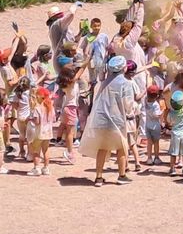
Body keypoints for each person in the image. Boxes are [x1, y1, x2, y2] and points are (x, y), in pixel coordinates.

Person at [79, 55, 135, 186]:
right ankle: (122, 175)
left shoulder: (103, 83)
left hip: (101, 119)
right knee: (121, 147)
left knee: (102, 148)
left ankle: (98, 177)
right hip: (117, 120)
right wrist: (131, 113)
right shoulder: (125, 84)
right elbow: (128, 103)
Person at [56, 58, 89, 165]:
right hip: (70, 108)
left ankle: (62, 143)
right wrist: (87, 61)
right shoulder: (72, 83)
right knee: (70, 133)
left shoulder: (65, 83)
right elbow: (81, 71)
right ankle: (70, 152)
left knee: (67, 129)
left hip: (67, 108)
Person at [27, 87, 56, 176]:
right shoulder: (51, 107)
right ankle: (46, 168)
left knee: (36, 151)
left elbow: (37, 122)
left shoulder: (37, 108)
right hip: (48, 132)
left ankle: (36, 168)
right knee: (46, 150)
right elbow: (54, 119)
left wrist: (30, 119)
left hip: (39, 132)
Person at [166, 90, 183, 177]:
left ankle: (172, 169)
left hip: (175, 134)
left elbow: (169, 122)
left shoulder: (171, 112)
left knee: (173, 153)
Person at [144, 84, 164, 166]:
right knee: (156, 142)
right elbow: (157, 115)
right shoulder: (156, 104)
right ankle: (156, 158)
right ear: (157, 95)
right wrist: (162, 111)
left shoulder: (145, 100)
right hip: (155, 126)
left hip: (147, 125)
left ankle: (149, 158)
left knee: (149, 142)